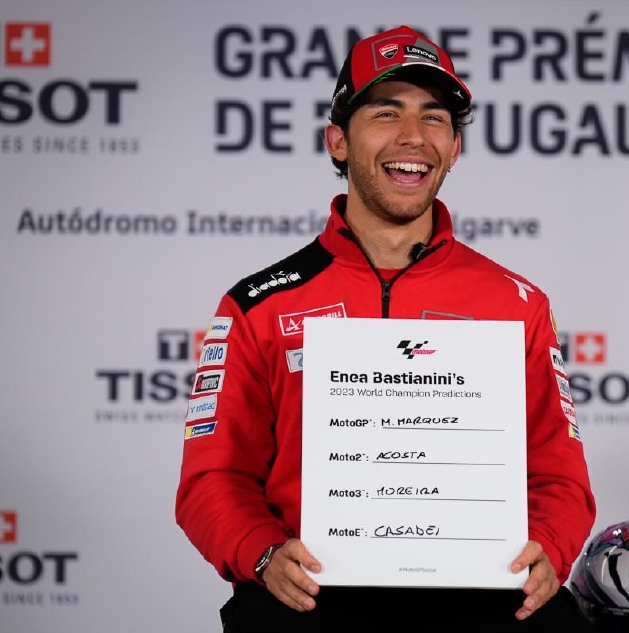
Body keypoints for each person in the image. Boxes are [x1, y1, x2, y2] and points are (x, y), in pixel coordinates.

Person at [175, 25, 597, 632]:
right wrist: (262, 554)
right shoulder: (258, 305)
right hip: (314, 595)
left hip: (481, 590)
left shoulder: (518, 303)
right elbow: (212, 477)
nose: (413, 136)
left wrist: (549, 547)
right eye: (386, 112)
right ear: (337, 140)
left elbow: (560, 475)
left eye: (434, 118)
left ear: (455, 148)